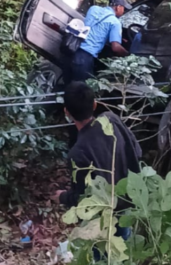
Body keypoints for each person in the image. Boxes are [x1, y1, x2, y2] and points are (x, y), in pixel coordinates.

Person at [56, 82, 141, 240]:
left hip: (101, 219)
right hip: (127, 201)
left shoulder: (77, 153)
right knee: (124, 251)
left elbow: (82, 198)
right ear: (95, 105)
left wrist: (62, 196)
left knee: (102, 258)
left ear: (67, 112)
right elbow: (137, 151)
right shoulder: (112, 119)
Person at [68, 0, 133, 83]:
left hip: (72, 50)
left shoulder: (93, 9)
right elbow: (116, 47)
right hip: (85, 57)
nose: (124, 11)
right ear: (118, 7)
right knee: (82, 91)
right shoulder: (115, 22)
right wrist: (129, 55)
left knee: (68, 87)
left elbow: (96, 29)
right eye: (123, 8)